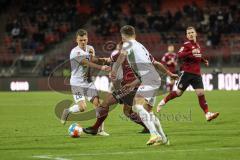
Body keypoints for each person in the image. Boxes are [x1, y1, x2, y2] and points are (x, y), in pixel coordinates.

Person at [84, 25, 178, 146]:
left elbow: (121, 56)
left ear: (123, 36)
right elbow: (156, 63)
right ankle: (164, 139)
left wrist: (114, 70)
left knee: (137, 107)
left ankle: (154, 134)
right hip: (153, 79)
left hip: (148, 79)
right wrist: (170, 73)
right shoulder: (141, 47)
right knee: (148, 112)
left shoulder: (128, 44)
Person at [157, 26, 219, 122]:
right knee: (178, 93)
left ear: (195, 34)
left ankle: (207, 114)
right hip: (187, 73)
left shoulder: (198, 45)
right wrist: (190, 51)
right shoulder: (186, 44)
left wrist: (203, 60)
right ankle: (163, 102)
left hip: (197, 74)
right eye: (188, 33)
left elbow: (197, 56)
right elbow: (180, 54)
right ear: (186, 35)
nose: (190, 34)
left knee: (201, 93)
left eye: (192, 32)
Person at [60, 29, 111, 136]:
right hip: (76, 83)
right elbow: (86, 62)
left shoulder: (90, 48)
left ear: (87, 39)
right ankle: (67, 111)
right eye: (80, 40)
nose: (83, 42)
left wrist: (105, 60)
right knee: (82, 108)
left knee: (98, 104)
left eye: (84, 40)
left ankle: (100, 130)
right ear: (76, 40)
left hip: (87, 82)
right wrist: (102, 66)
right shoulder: (75, 52)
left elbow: (93, 60)